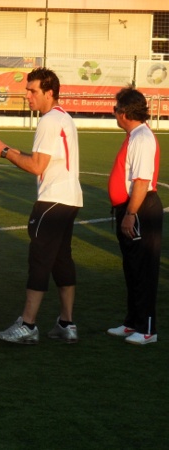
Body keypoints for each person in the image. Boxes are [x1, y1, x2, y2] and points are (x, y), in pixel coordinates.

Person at [0, 67, 83, 345]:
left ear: (49, 93)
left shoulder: (49, 120)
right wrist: (11, 150)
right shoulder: (63, 117)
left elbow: (37, 166)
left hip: (52, 200)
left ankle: (27, 325)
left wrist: (4, 152)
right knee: (61, 260)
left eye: (32, 90)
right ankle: (67, 324)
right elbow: (44, 160)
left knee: (39, 261)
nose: (27, 95)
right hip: (69, 199)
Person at [107, 87, 163, 345]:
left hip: (140, 209)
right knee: (132, 270)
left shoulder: (142, 138)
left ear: (125, 113)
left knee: (143, 271)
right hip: (132, 209)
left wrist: (130, 213)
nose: (114, 113)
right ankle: (133, 322)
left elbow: (141, 181)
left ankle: (147, 329)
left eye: (116, 109)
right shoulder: (135, 136)